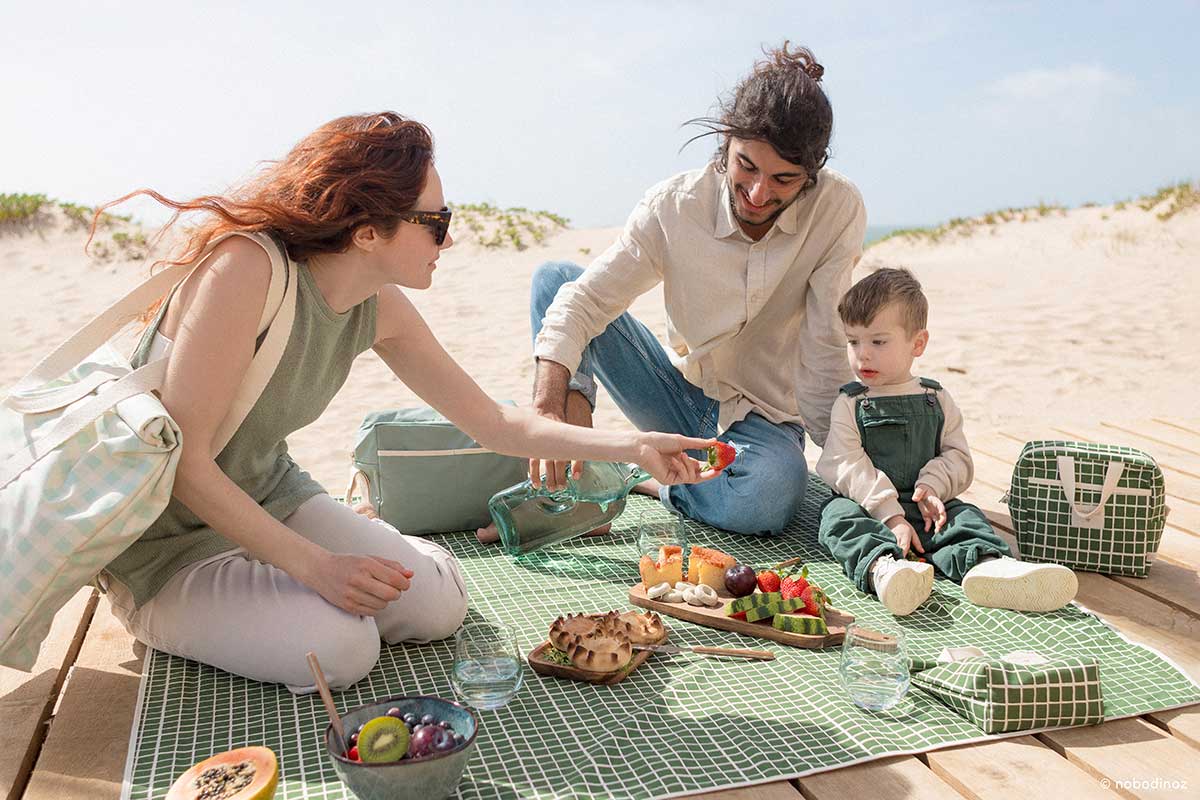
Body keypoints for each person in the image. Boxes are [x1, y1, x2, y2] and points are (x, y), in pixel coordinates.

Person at [94, 112, 718, 694]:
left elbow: (495, 423)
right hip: (168, 541)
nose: (447, 240)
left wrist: (634, 445)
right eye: (436, 223)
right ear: (368, 231)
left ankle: (341, 560)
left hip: (272, 499)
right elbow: (188, 465)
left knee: (438, 607)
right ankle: (160, 607)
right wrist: (315, 568)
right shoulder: (244, 271)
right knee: (341, 651)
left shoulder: (376, 303)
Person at [495, 43, 866, 540]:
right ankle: (584, 464)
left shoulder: (837, 209)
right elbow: (583, 304)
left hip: (766, 421)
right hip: (677, 398)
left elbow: (825, 353)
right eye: (746, 166)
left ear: (811, 174)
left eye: (783, 179)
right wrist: (546, 417)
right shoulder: (673, 207)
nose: (758, 194)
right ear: (726, 142)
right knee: (557, 282)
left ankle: (647, 478)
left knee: (772, 493)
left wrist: (861, 476)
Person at [815, 268, 1078, 615]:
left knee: (965, 517)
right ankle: (886, 570)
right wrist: (891, 516)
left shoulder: (936, 398)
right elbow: (845, 463)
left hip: (928, 508)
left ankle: (988, 567)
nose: (862, 354)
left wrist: (933, 486)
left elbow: (958, 457)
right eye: (853, 341)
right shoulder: (850, 403)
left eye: (878, 341)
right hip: (870, 505)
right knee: (837, 518)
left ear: (918, 343)